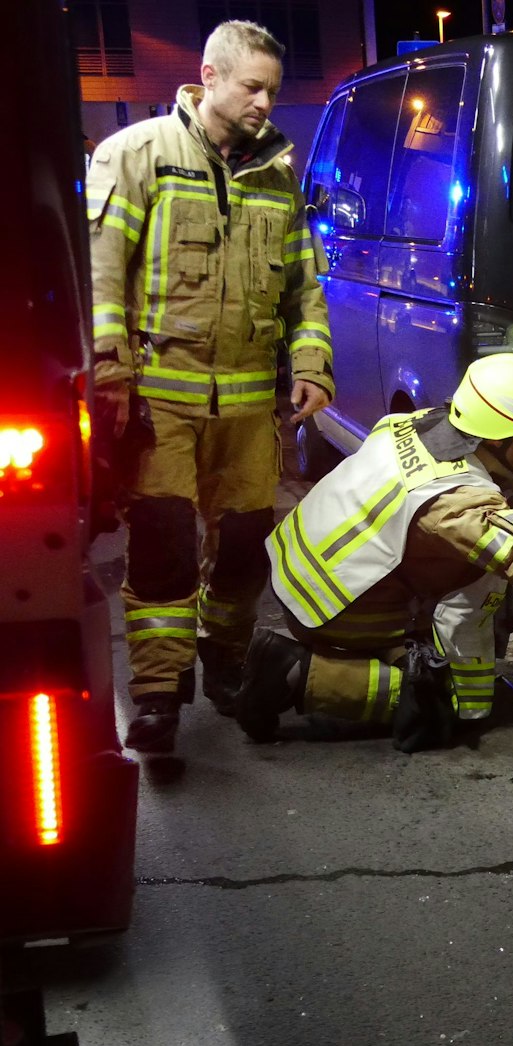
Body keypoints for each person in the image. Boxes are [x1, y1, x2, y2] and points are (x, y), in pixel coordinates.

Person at [85, 20, 333, 755]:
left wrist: (314, 366)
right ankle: (159, 693)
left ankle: (223, 657)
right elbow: (104, 274)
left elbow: (303, 288)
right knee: (161, 542)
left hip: (250, 403)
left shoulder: (278, 177)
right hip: (163, 397)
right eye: (253, 86)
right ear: (210, 76)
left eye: (273, 91)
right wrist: (111, 371)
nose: (265, 102)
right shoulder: (137, 156)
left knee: (246, 547)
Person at [235, 354, 513, 752]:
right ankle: (293, 673)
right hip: (333, 608)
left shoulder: (427, 422)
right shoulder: (454, 505)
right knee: (445, 694)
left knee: (480, 560)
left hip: (305, 570)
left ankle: (400, 661)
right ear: (500, 438)